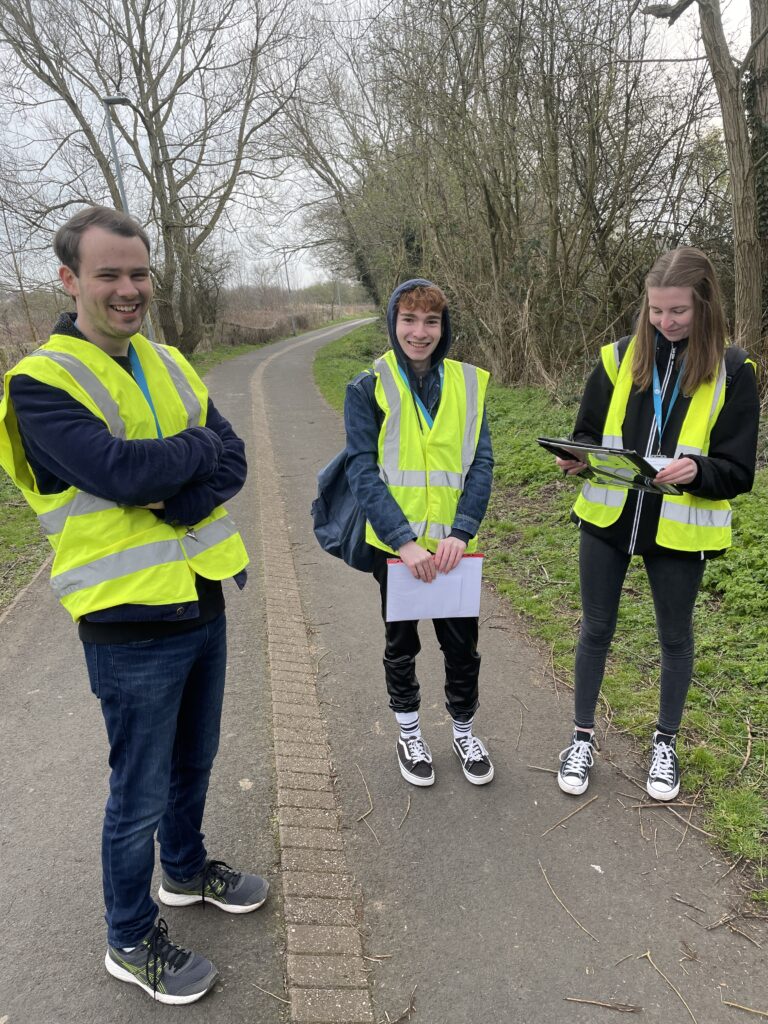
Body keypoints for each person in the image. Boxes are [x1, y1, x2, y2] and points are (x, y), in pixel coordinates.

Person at [0, 206, 268, 1005]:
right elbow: (116, 472)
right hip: (127, 624)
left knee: (195, 762)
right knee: (139, 789)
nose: (128, 289)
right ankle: (127, 934)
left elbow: (235, 457)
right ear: (70, 279)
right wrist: (184, 459)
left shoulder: (169, 361)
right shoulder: (39, 384)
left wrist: (172, 485)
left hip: (202, 596)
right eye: (110, 274)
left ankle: (184, 871)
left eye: (139, 273)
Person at [554, 247, 759, 802]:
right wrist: (576, 458)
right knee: (595, 629)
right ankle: (580, 738)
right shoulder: (619, 357)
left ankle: (664, 744)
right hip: (608, 518)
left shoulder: (736, 372)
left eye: (678, 312)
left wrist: (699, 470)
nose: (665, 322)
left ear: (706, 307)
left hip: (678, 528)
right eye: (656, 311)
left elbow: (739, 472)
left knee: (674, 638)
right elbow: (588, 435)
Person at [344, 279, 495, 787]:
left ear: (444, 326)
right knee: (401, 644)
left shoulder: (469, 384)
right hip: (396, 551)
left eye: (431, 321)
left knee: (462, 648)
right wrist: (404, 541)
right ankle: (409, 732)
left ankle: (464, 729)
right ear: (393, 323)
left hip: (455, 552)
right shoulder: (368, 386)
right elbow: (362, 471)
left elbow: (481, 463)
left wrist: (462, 529)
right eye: (409, 320)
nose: (419, 331)